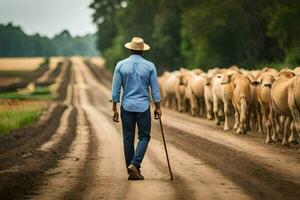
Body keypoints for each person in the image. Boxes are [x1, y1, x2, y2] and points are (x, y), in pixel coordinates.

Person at [111, 36, 162, 180]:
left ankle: (131, 170)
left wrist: (114, 108)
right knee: (144, 136)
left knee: (128, 138)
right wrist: (157, 107)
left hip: (126, 106)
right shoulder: (150, 66)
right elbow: (155, 90)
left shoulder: (120, 65)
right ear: (143, 51)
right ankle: (135, 164)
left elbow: (115, 89)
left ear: (129, 49)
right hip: (143, 107)